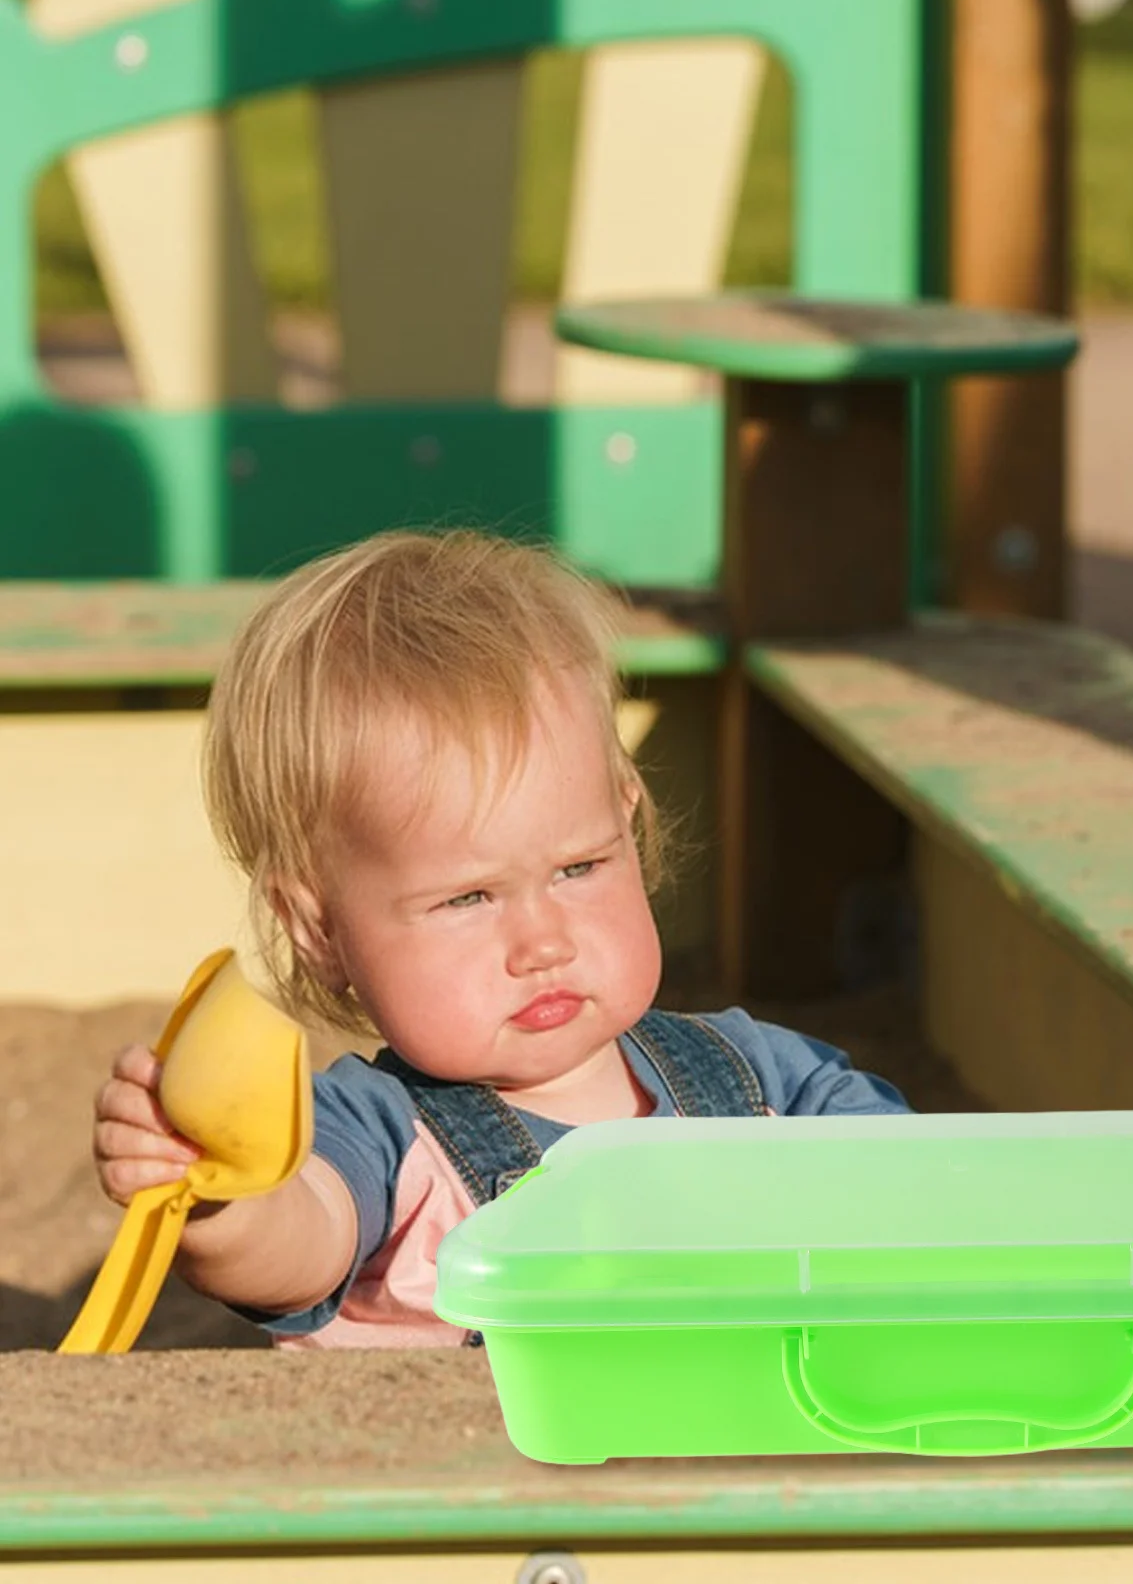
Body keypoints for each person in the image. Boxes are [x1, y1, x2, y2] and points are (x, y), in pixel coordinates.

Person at [90, 529, 909, 1348]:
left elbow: (924, 1183)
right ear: (320, 930)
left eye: (579, 868)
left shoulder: (762, 1080)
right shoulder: (379, 1136)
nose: (541, 942)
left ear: (628, 820)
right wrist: (220, 1202)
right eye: (469, 898)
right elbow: (296, 1248)